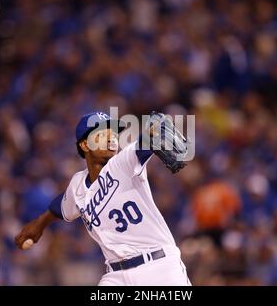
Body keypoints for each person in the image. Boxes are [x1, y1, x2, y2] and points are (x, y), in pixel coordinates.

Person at [14, 111, 191, 286]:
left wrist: (151, 134)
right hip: (115, 276)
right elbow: (61, 205)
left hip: (158, 266)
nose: (111, 138)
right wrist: (40, 223)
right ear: (84, 145)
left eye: (113, 134)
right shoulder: (77, 185)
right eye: (101, 134)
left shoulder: (122, 163)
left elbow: (142, 145)